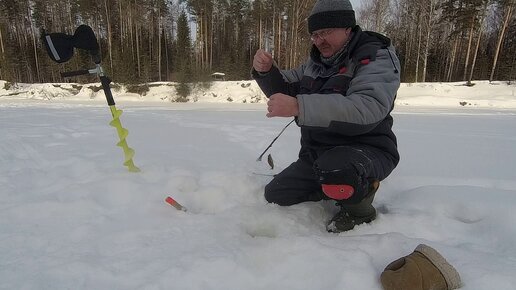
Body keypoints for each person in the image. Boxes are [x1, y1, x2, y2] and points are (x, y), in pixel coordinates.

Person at [252, 0, 401, 233]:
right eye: (315, 35)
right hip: (317, 155)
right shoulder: (317, 63)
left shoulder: (375, 56)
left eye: (326, 32)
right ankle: (332, 185)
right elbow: (287, 87)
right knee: (276, 194)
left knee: (336, 168)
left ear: (347, 28)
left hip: (367, 150)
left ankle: (359, 206)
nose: (320, 40)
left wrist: (300, 106)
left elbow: (367, 107)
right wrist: (267, 72)